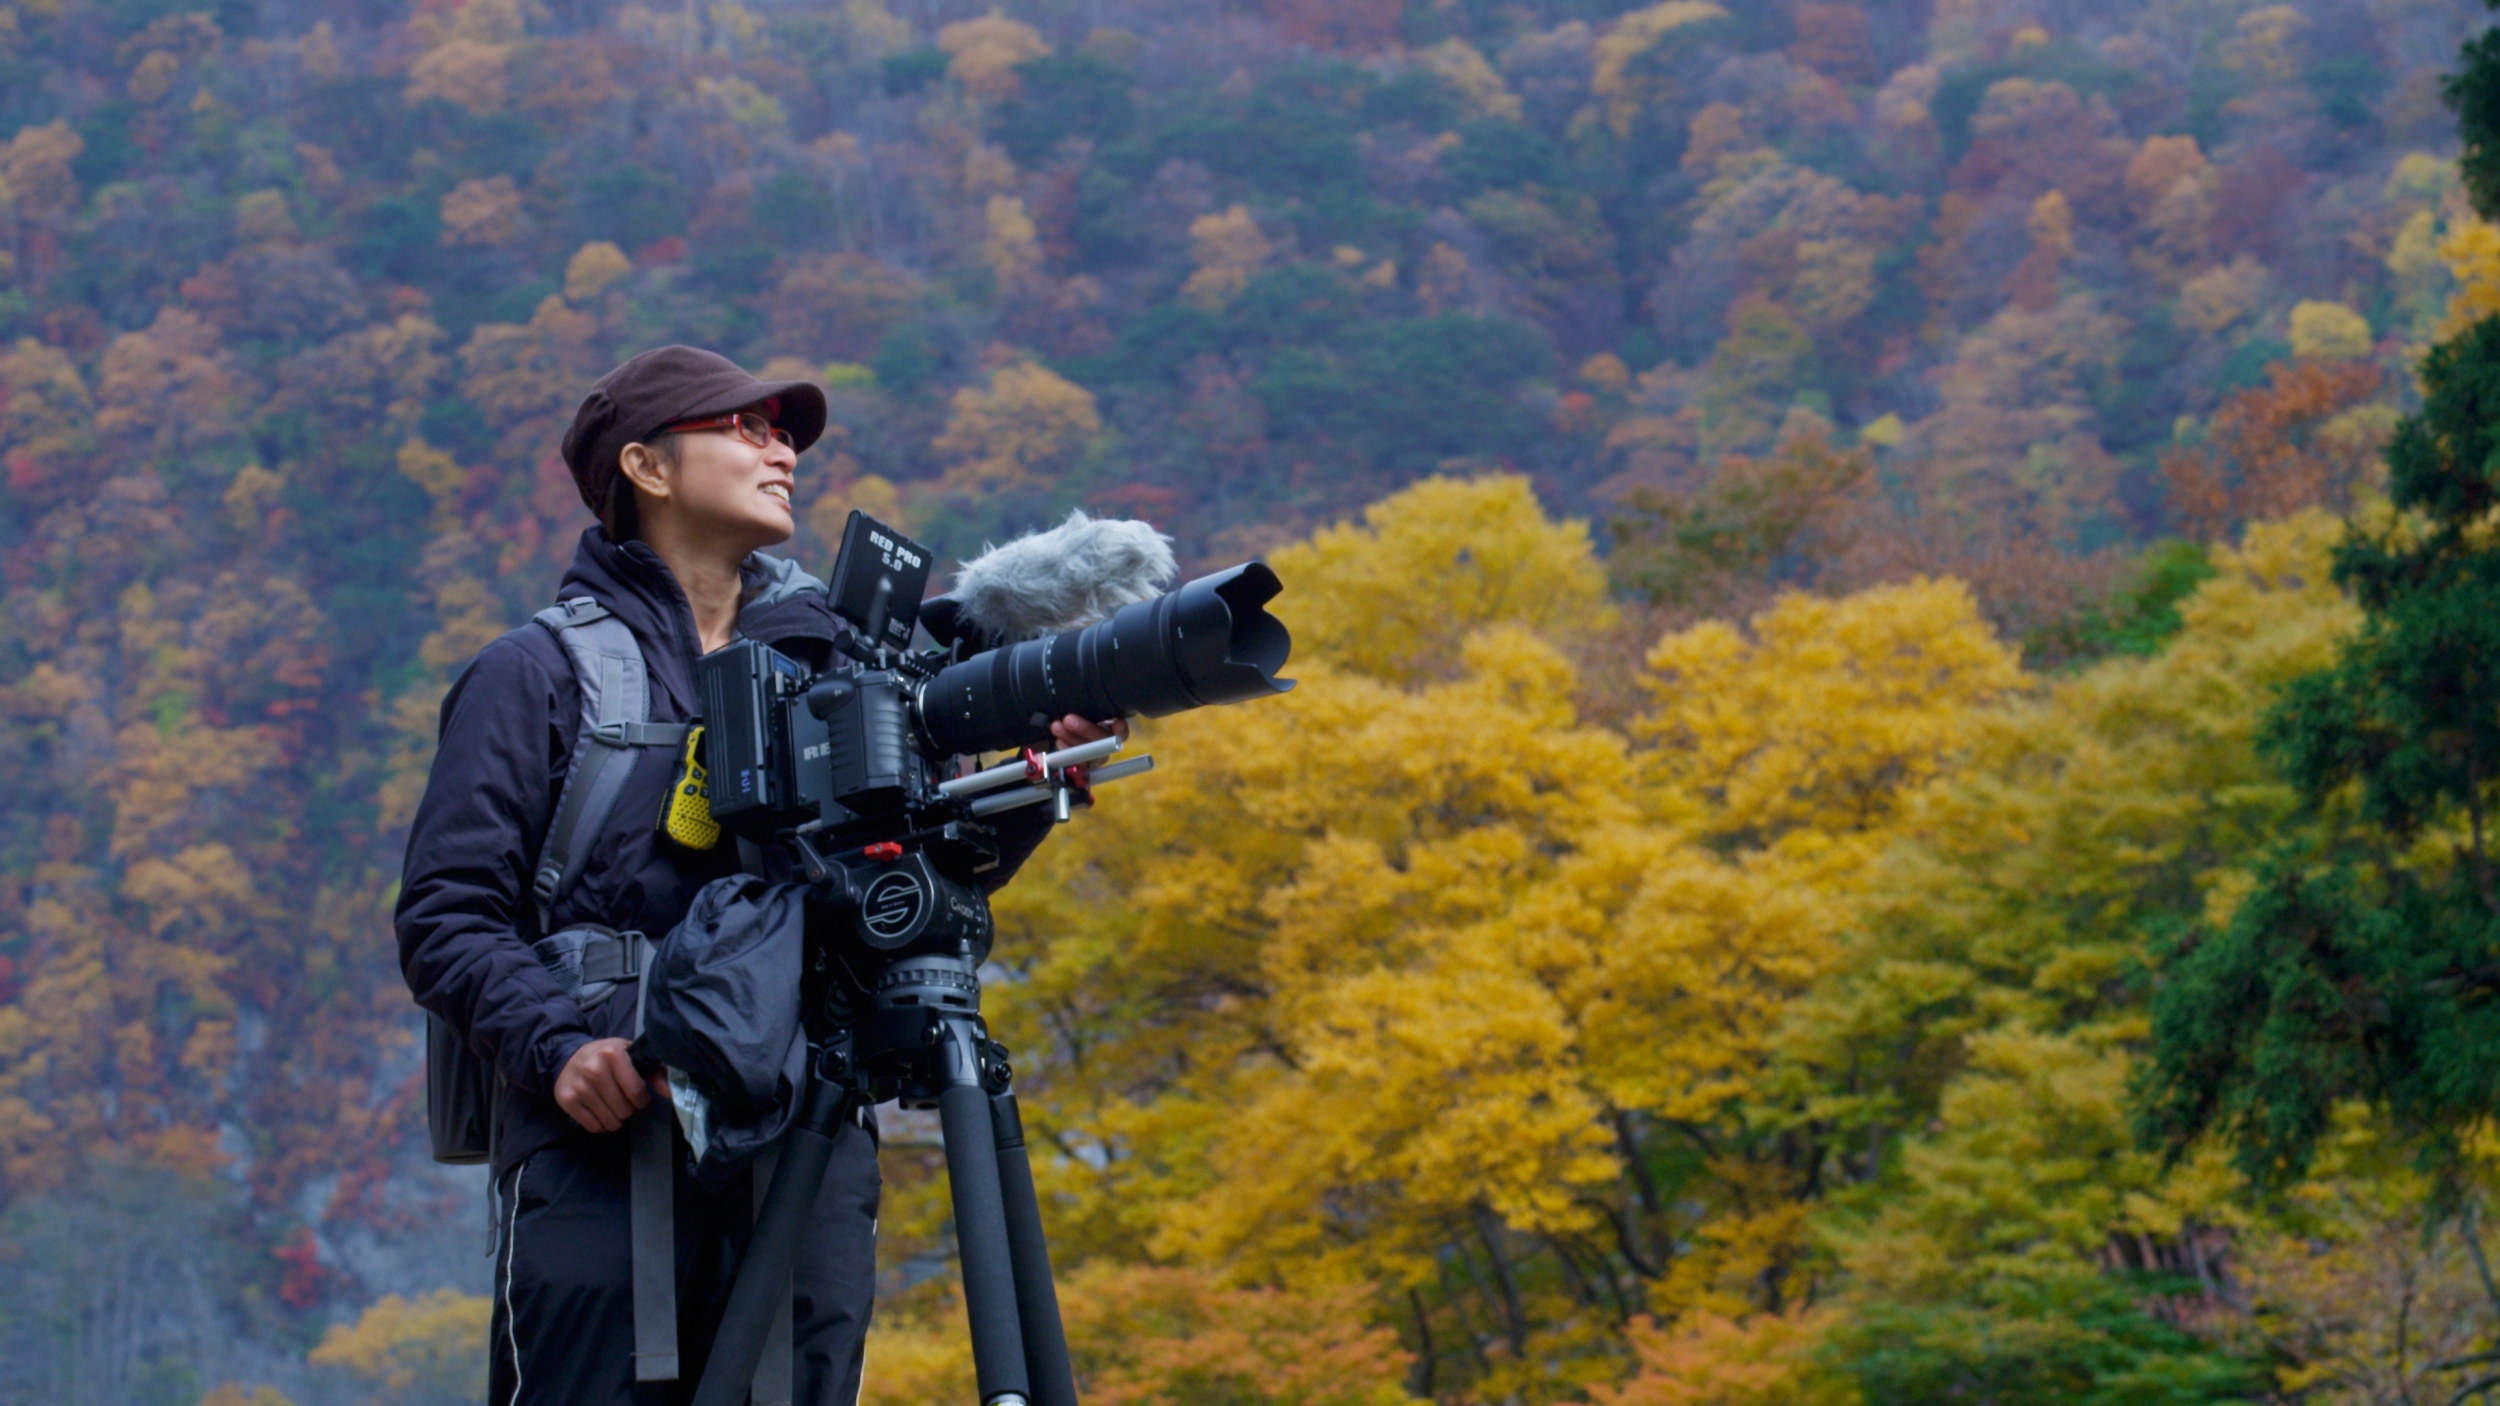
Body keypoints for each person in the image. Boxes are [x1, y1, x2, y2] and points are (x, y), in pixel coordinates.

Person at [396, 345, 1118, 1405]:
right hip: (608, 1135)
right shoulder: (534, 673)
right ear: (644, 465)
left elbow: (900, 892)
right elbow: (446, 914)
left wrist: (1028, 786)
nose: (780, 447)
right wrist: (556, 1048)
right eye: (743, 425)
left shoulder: (844, 670)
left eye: (785, 431)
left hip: (806, 1129)